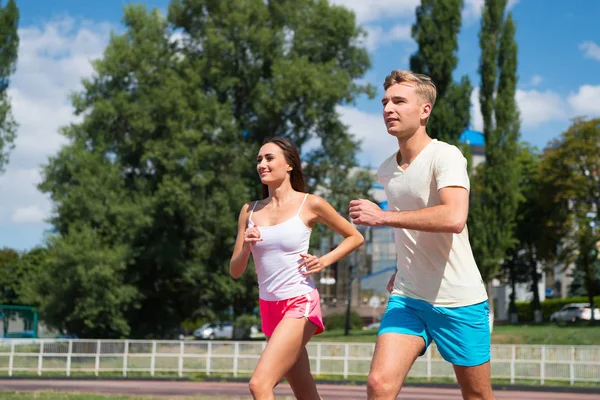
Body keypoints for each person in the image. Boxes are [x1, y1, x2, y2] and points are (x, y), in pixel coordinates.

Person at [349, 70, 495, 400]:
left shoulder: (446, 155)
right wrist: (405, 265)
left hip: (459, 298)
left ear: (425, 110)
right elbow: (413, 230)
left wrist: (383, 215)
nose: (389, 108)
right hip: (409, 296)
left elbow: (454, 216)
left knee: (477, 396)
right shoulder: (387, 169)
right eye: (385, 102)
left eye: (399, 101)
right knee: (378, 385)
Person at [230, 137, 364, 400]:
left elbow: (355, 236)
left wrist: (324, 261)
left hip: (299, 302)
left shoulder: (310, 204)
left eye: (269, 158)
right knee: (304, 391)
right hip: (269, 307)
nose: (262, 165)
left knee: (260, 384)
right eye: (259, 160)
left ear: (289, 164)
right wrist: (246, 247)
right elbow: (235, 270)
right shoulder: (249, 211)